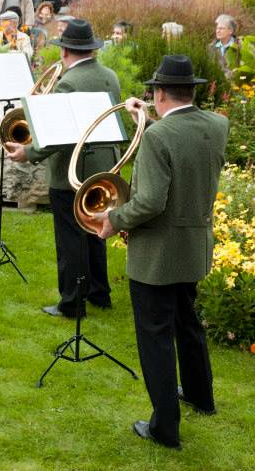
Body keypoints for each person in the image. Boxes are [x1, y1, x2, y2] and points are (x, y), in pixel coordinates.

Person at [93, 55, 228, 450]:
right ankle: (201, 397)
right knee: (188, 322)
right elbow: (181, 140)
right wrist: (147, 119)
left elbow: (150, 201)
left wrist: (115, 218)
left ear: (158, 93)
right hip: (194, 247)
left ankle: (164, 428)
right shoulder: (217, 126)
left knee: (155, 337)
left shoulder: (159, 137)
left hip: (158, 256)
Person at [3, 18, 120, 317]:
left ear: (66, 52)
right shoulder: (110, 77)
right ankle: (99, 292)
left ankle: (71, 302)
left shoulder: (68, 83)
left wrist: (27, 153)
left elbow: (58, 135)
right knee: (96, 227)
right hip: (104, 166)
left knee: (70, 237)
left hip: (73, 169)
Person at [209, 14, 242, 79]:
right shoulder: (210, 47)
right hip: (215, 85)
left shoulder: (241, 47)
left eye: (221, 28)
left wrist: (237, 79)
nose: (218, 31)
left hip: (237, 86)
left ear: (231, 31)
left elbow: (247, 75)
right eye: (217, 28)